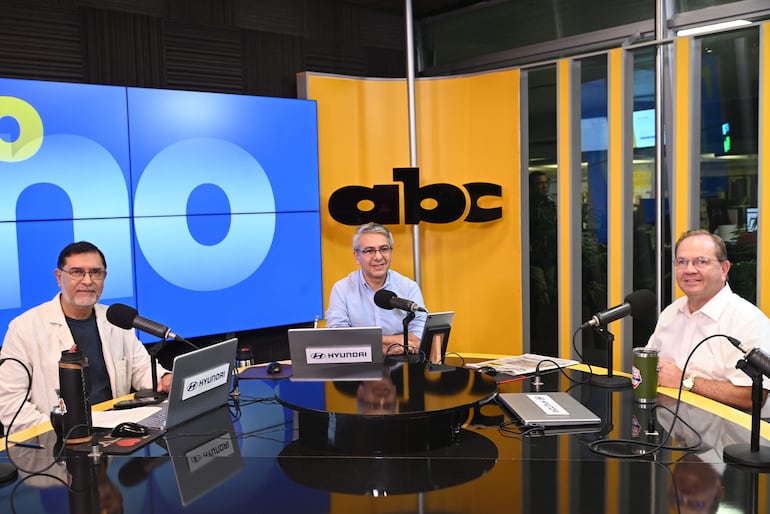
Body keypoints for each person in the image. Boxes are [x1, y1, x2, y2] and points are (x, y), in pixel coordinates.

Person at [0, 241, 171, 434]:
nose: (88, 281)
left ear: (104, 277)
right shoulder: (24, 327)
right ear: (59, 277)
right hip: (58, 437)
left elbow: (142, 368)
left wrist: (164, 378)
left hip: (116, 431)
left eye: (96, 273)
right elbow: (10, 404)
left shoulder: (115, 320)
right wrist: (59, 431)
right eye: (77, 272)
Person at [646, 229, 770, 413]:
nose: (689, 270)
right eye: (682, 262)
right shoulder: (670, 313)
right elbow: (650, 366)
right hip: (669, 427)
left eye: (701, 261)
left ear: (724, 269)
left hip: (729, 430)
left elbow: (752, 397)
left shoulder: (748, 320)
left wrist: (686, 381)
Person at [326, 223, 426, 356]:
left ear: (391, 252)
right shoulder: (342, 289)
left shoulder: (408, 287)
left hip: (402, 362)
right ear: (356, 256)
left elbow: (418, 338)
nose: (378, 257)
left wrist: (365, 340)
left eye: (384, 249)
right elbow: (338, 337)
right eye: (369, 251)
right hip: (358, 363)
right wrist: (386, 347)